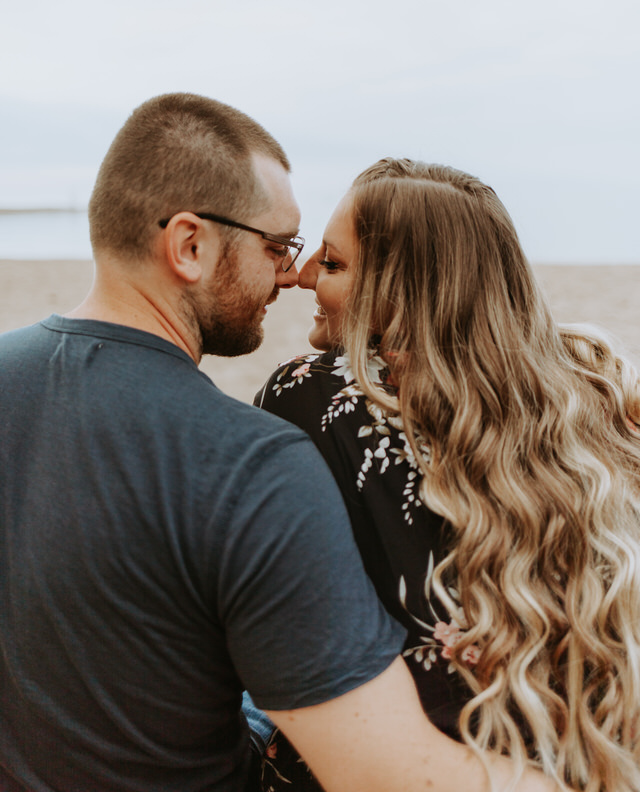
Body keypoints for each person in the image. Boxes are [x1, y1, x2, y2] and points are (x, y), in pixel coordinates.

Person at [0, 100, 552, 792]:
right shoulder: (249, 460)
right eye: (277, 247)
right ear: (190, 246)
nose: (291, 276)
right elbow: (390, 772)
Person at [257, 158, 640, 792]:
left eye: (330, 264)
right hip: (571, 754)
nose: (298, 276)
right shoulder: (586, 392)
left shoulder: (313, 392)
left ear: (400, 291)